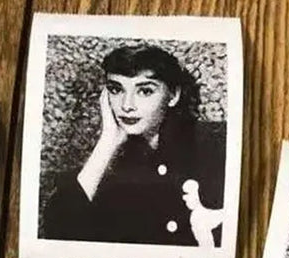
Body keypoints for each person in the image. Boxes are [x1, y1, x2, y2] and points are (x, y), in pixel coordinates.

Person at [42, 44, 226, 247]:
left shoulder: (217, 143)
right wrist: (108, 140)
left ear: (173, 95)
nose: (127, 105)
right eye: (116, 90)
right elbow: (57, 236)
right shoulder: (103, 169)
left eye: (145, 91)